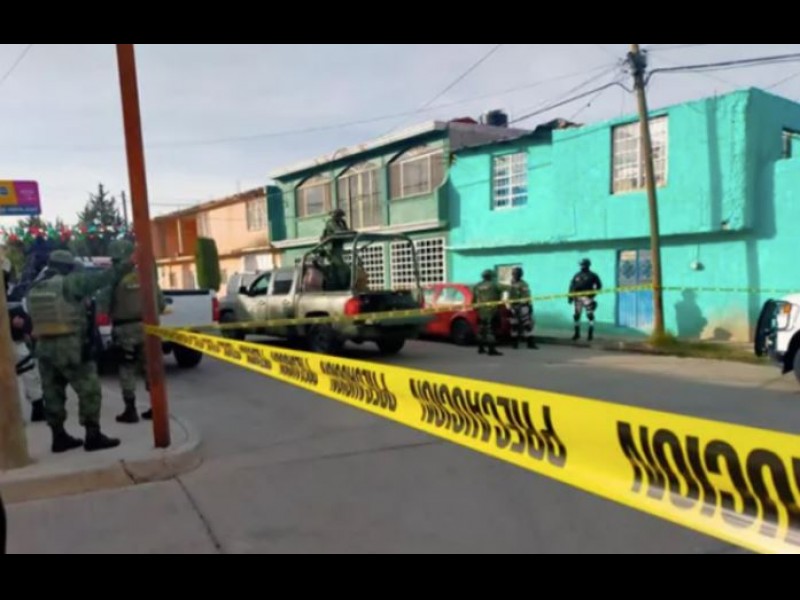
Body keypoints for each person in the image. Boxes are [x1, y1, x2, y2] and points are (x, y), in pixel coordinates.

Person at [25, 250, 122, 453]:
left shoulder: (35, 287)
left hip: (44, 347)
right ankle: (93, 436)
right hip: (69, 346)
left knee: (52, 393)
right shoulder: (69, 283)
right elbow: (100, 279)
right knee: (89, 389)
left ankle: (58, 437)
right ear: (67, 267)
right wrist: (126, 264)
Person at [106, 240, 165, 423]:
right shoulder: (146, 276)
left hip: (124, 329)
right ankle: (156, 408)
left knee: (127, 368)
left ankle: (130, 410)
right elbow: (160, 304)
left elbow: (104, 305)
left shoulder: (113, 280)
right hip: (148, 327)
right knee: (150, 367)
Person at [4, 257, 45, 422]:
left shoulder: (12, 296)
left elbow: (26, 319)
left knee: (30, 371)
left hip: (15, 343)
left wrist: (24, 326)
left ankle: (38, 407)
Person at [568, 258, 602, 341]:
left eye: (583, 264)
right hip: (577, 298)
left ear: (587, 265)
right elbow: (572, 286)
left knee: (590, 315)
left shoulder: (593, 275)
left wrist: (593, 294)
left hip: (588, 298)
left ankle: (590, 334)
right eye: (581, 265)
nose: (582, 266)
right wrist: (570, 297)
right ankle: (577, 334)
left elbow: (599, 286)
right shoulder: (577, 275)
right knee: (576, 316)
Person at [472, 269, 504, 356]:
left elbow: (473, 299)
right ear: (490, 276)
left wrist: (476, 308)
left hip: (481, 311)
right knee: (491, 330)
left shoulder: (477, 286)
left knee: (481, 330)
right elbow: (507, 289)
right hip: (492, 311)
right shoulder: (495, 284)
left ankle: (480, 348)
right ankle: (491, 350)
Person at [507, 266, 537, 350]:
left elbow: (527, 296)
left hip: (523, 306)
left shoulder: (523, 284)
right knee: (514, 325)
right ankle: (514, 343)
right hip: (514, 306)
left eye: (517, 273)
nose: (515, 275)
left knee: (527, 325)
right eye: (514, 273)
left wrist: (530, 306)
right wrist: (511, 306)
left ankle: (530, 343)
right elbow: (509, 296)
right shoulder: (511, 284)